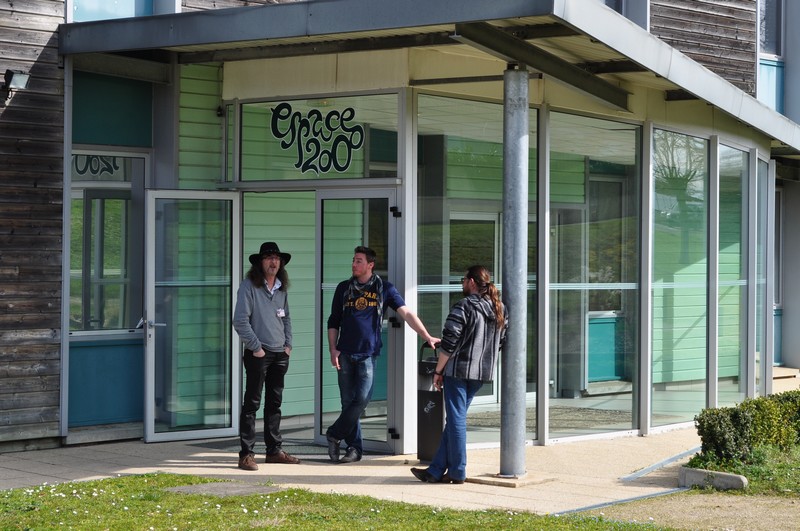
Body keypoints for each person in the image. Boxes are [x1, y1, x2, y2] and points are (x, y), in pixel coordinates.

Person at [326, 245, 439, 464]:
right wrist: (333, 349)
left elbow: (405, 312)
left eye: (359, 261)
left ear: (370, 265)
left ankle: (334, 433)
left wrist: (426, 335)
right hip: (345, 353)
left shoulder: (383, 288)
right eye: (353, 260)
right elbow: (333, 321)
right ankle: (354, 448)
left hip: (367, 354)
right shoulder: (343, 288)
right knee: (348, 403)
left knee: (360, 400)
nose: (354, 264)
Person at [410, 265, 507, 484]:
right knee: (456, 419)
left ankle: (458, 471)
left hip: (459, 371)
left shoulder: (464, 306)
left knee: (456, 421)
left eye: (463, 280)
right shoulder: (500, 308)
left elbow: (449, 343)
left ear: (472, 282)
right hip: (481, 373)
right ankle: (434, 471)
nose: (462, 283)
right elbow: (501, 342)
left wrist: (438, 370)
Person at [234, 241, 300, 471]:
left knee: (275, 403)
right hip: (258, 353)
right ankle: (246, 454)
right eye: (268, 257)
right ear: (260, 263)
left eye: (276, 258)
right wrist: (256, 347)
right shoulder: (249, 287)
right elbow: (240, 321)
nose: (273, 262)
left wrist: (288, 345)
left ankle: (273, 451)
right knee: (252, 403)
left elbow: (287, 318)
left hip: (280, 353)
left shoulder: (281, 289)